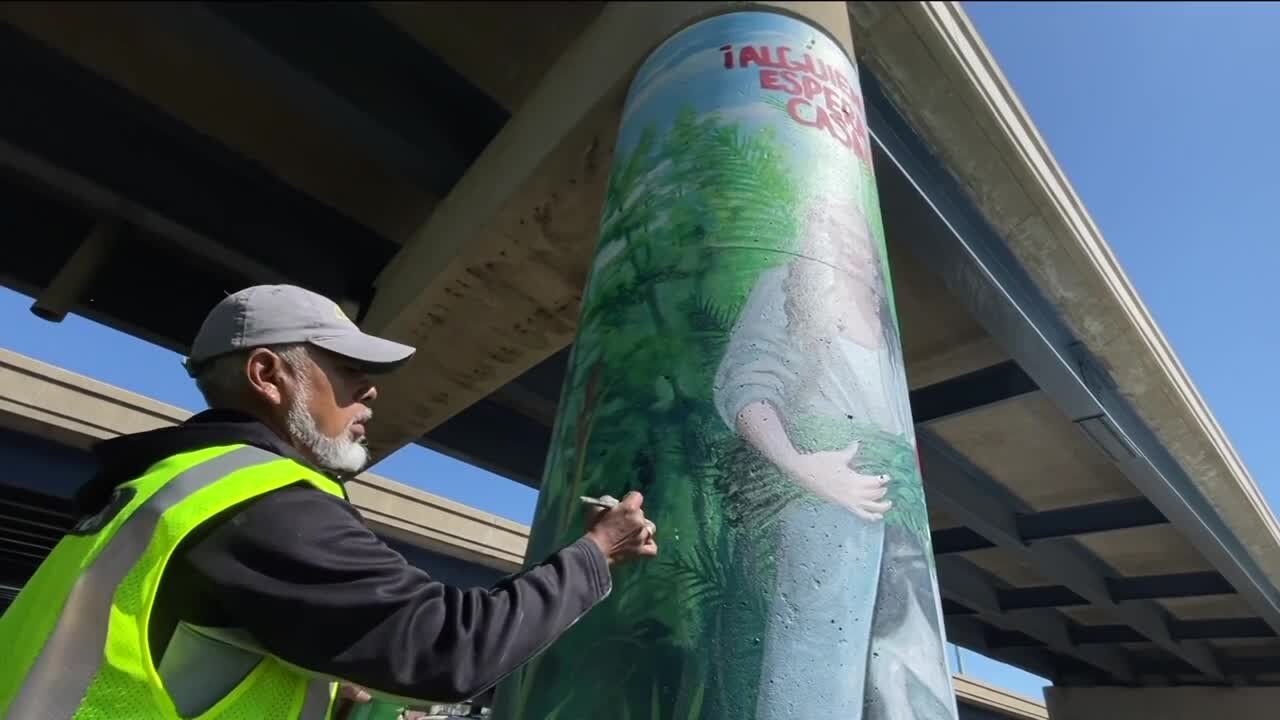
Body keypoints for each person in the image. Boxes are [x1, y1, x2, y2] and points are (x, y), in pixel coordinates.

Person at [0, 284, 659, 719]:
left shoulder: (162, 488)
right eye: (348, 369)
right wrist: (597, 552)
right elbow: (447, 649)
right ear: (267, 374)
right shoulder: (258, 499)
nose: (370, 392)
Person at [713, 196, 955, 720]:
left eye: (855, 233)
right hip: (823, 506)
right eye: (832, 232)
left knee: (911, 668)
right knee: (817, 663)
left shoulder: (885, 320)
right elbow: (748, 383)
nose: (848, 246)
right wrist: (802, 466)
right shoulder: (788, 286)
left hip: (899, 510)